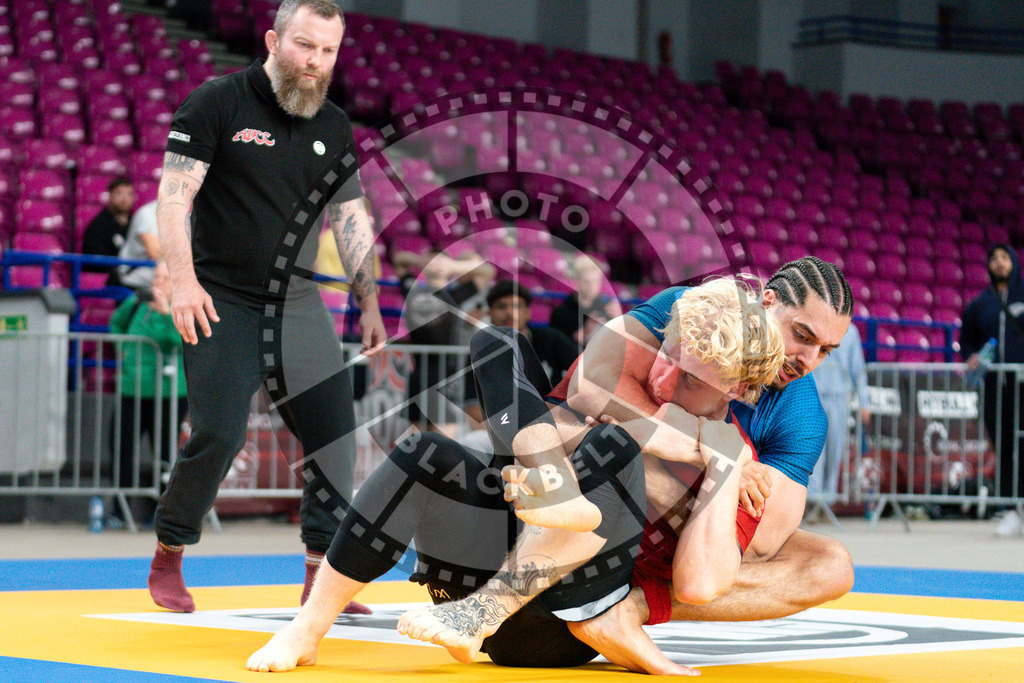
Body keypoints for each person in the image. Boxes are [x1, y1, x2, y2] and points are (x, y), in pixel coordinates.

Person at [246, 276, 785, 675]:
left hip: (557, 619)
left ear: (737, 390)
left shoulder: (733, 453)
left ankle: (492, 597)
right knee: (447, 417)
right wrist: (662, 436)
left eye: (688, 377)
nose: (662, 378)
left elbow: (702, 584)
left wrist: (717, 463)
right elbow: (555, 414)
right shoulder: (632, 389)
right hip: (486, 556)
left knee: (613, 442)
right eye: (667, 353)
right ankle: (306, 630)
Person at [149, 0, 385, 614]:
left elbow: (351, 220)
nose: (315, 62)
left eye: (328, 51)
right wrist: (183, 281)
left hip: (299, 304)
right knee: (219, 435)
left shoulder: (333, 125)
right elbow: (174, 199)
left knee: (336, 441)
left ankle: (319, 577)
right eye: (305, 46)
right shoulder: (216, 102)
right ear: (273, 40)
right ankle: (170, 549)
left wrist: (369, 302)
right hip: (221, 299)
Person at [554, 256, 854, 644]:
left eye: (826, 351)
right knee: (586, 429)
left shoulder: (802, 414)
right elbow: (590, 387)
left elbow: (762, 543)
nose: (808, 361)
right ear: (767, 303)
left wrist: (718, 467)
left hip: (683, 535)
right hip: (595, 477)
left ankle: (631, 607)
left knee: (831, 566)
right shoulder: (696, 310)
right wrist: (715, 454)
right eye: (803, 335)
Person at [107, 261, 188, 527]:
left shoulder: (182, 308)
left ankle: (161, 514)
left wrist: (165, 313)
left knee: (164, 454)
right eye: (156, 277)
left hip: (168, 394)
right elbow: (116, 324)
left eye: (164, 278)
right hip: (132, 389)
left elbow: (179, 341)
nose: (157, 282)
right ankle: (119, 512)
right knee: (122, 448)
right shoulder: (136, 304)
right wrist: (125, 350)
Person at [960, 244, 1024, 536]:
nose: (999, 263)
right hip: (993, 389)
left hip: (1022, 384)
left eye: (1004, 258)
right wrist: (970, 356)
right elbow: (967, 343)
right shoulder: (978, 304)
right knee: (1004, 446)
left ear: (1014, 262)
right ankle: (1011, 509)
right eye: (994, 259)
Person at [807, 323, 869, 509]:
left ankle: (828, 500)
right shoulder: (815, 325)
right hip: (813, 395)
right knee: (814, 449)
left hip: (839, 398)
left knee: (835, 450)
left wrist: (864, 402)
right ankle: (812, 500)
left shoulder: (851, 331)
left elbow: (858, 369)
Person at [549, 254, 622, 347]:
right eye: (586, 282)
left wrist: (620, 320)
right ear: (576, 281)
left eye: (595, 281)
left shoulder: (608, 307)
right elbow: (556, 349)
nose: (591, 286)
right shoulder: (560, 312)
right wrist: (585, 332)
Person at [81, 176, 135, 273]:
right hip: (108, 278)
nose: (124, 198)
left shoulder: (136, 223)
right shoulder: (98, 225)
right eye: (119, 193)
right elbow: (95, 262)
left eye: (129, 194)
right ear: (110, 195)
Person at [115, 199, 161, 289]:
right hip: (134, 272)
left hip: (159, 270)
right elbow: (155, 254)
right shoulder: (147, 213)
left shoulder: (187, 215)